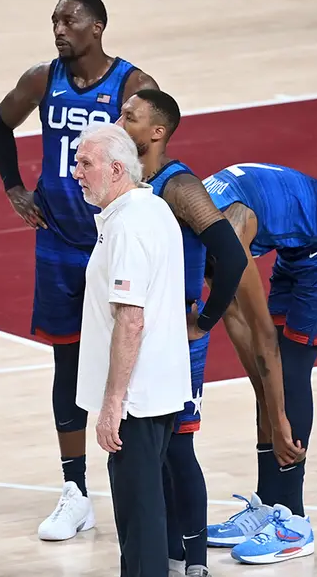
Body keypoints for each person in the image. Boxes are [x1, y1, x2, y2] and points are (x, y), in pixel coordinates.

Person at [0, 0, 160, 540]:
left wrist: (140, 214)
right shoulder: (43, 78)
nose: (60, 29)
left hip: (113, 244)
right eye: (55, 21)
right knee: (67, 364)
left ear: (98, 27)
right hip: (59, 242)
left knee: (132, 361)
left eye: (70, 21)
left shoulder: (132, 86)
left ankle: (143, 479)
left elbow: (154, 153)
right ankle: (75, 491)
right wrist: (14, 187)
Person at [200, 162, 317, 564]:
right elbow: (231, 315)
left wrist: (278, 416)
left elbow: (260, 332)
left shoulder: (227, 233)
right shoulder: (191, 220)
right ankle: (266, 509)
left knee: (289, 372)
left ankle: (293, 522)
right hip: (302, 245)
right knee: (272, 380)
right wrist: (264, 390)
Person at [115, 90, 248, 577]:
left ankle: (194, 563)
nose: (119, 121)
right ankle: (167, 555)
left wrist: (205, 321)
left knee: (177, 445)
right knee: (148, 446)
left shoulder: (179, 185)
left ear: (157, 132)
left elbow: (231, 256)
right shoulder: (131, 181)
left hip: (176, 333)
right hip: (143, 330)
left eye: (130, 117)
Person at [72, 122, 192, 577]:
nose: (76, 172)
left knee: (139, 522)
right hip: (154, 393)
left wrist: (113, 403)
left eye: (86, 163)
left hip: (136, 402)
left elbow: (131, 319)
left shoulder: (127, 226)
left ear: (117, 169)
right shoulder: (151, 208)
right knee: (145, 515)